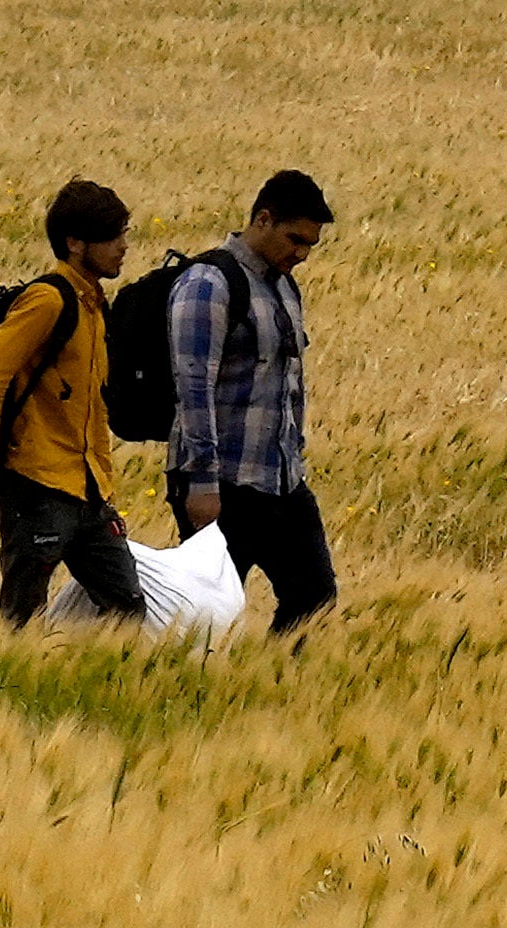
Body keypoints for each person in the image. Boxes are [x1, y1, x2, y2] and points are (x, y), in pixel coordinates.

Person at [0, 180, 145, 631]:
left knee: (128, 614)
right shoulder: (48, 300)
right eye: (113, 236)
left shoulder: (94, 304)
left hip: (90, 491)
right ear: (75, 243)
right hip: (36, 487)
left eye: (124, 234)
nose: (123, 247)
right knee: (23, 620)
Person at [165, 171, 334, 641]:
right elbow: (192, 389)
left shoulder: (283, 286)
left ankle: (278, 692)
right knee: (209, 616)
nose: (301, 254)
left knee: (314, 597)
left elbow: (286, 385)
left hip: (280, 479)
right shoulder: (208, 283)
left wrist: (293, 460)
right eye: (295, 239)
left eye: (310, 245)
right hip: (223, 483)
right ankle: (195, 698)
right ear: (263, 219)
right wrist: (201, 485)